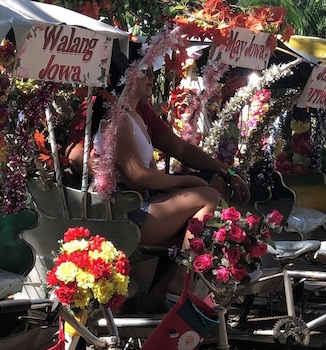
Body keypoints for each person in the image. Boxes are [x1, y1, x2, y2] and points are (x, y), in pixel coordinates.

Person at [65, 64, 250, 309]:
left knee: (206, 207)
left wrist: (224, 171)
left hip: (139, 201)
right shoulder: (116, 117)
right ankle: (180, 283)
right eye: (146, 73)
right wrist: (186, 181)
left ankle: (158, 301)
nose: (152, 79)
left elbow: (177, 152)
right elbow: (138, 176)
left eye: (153, 73)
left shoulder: (138, 115)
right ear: (130, 77)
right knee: (208, 197)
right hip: (123, 211)